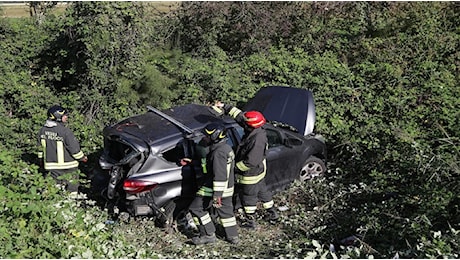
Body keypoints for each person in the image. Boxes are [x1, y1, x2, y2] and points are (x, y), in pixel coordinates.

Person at [210, 102, 278, 229]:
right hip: (259, 172)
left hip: (250, 174)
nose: (244, 122)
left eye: (246, 122)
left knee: (248, 198)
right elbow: (241, 117)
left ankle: (250, 221)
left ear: (250, 125)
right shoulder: (255, 129)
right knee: (263, 192)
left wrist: (234, 168)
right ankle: (272, 214)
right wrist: (225, 107)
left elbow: (250, 162)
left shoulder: (257, 140)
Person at [187, 122, 239, 245]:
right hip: (227, 187)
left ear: (216, 136)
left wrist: (217, 195)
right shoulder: (226, 148)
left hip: (215, 188)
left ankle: (208, 235)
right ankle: (233, 236)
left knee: (196, 208)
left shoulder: (218, 153)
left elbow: (219, 175)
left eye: (207, 136)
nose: (204, 138)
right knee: (226, 212)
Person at [37, 105, 87, 194]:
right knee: (72, 189)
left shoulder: (42, 131)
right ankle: (72, 206)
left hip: (51, 168)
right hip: (69, 167)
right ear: (58, 117)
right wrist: (82, 158)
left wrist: (41, 160)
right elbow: (74, 149)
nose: (66, 117)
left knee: (53, 190)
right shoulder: (65, 131)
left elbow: (40, 149)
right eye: (64, 115)